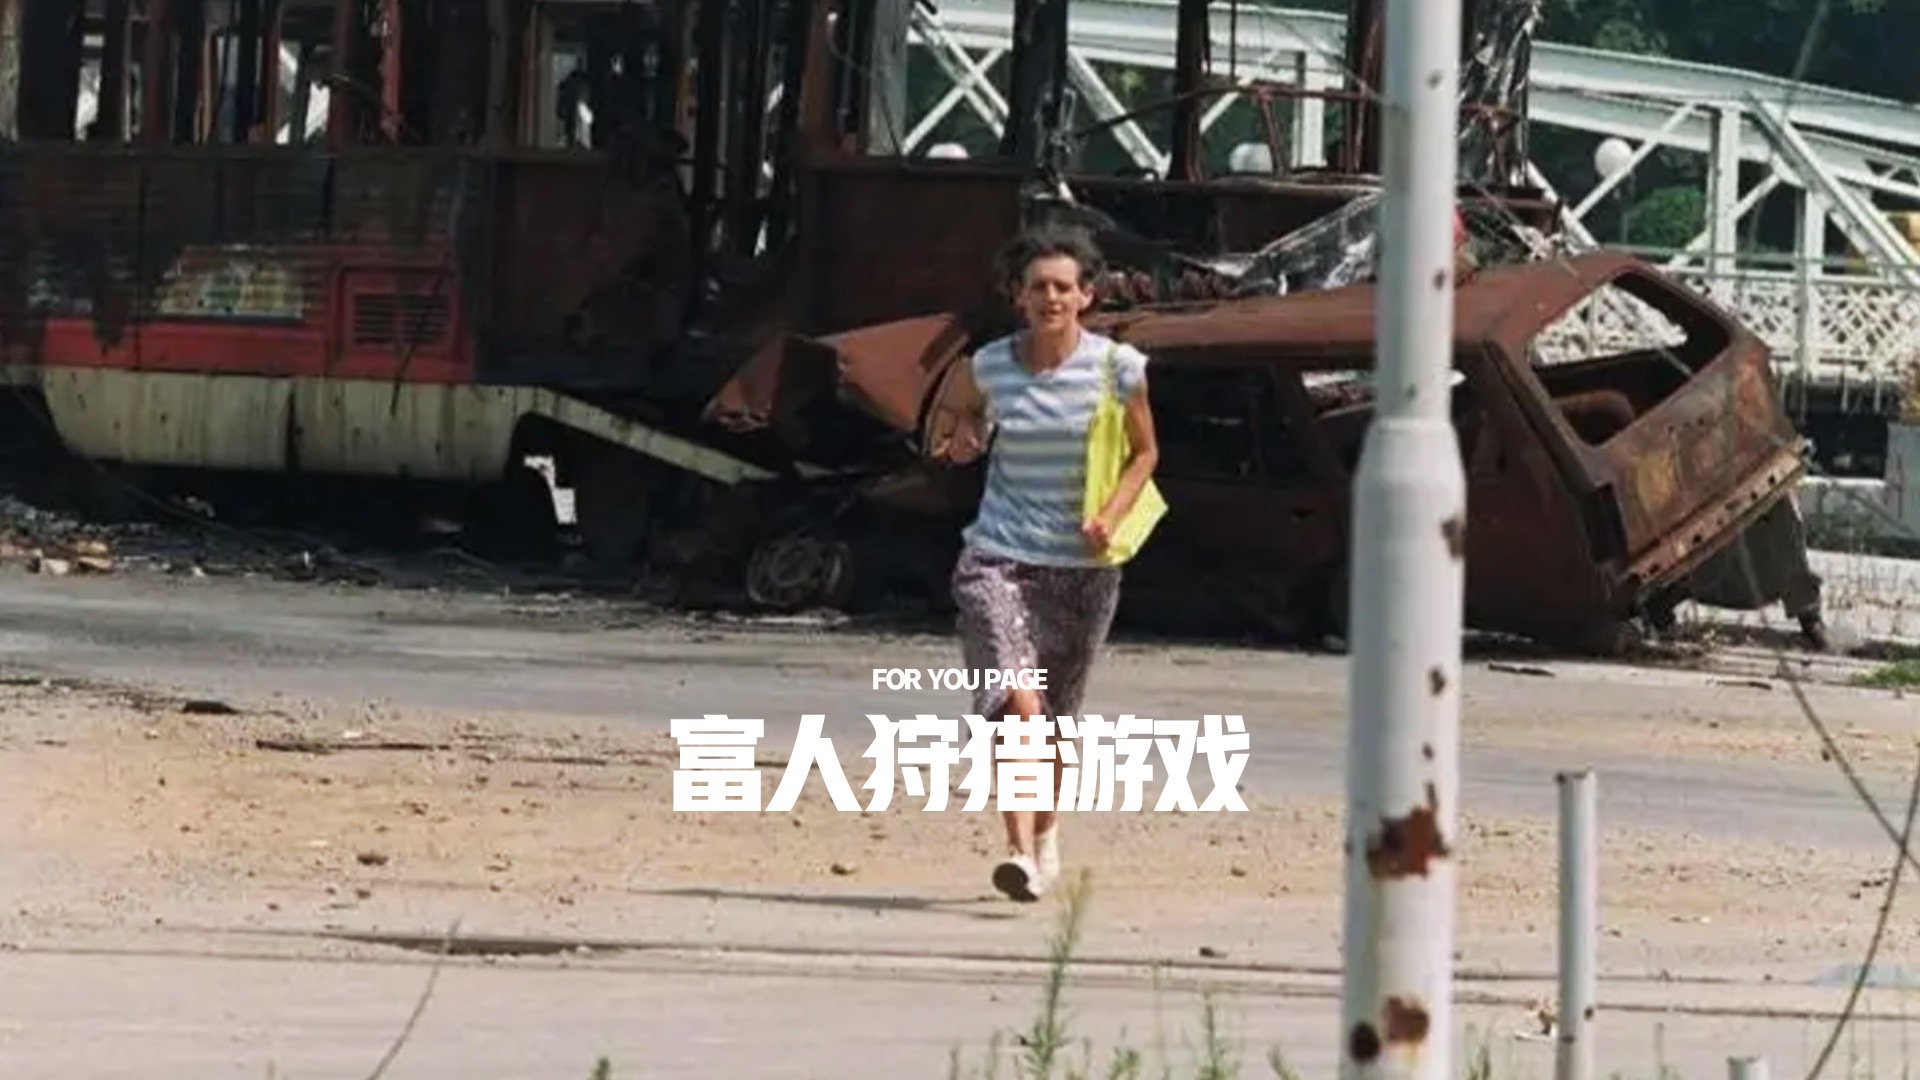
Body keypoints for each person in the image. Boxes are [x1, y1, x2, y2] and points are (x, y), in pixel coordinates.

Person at [934, 224, 1161, 903]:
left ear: (1086, 295)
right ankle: (1018, 853)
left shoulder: (1119, 369)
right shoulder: (988, 366)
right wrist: (962, 439)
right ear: (1019, 296)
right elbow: (956, 421)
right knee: (1019, 706)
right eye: (1038, 287)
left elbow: (1146, 453)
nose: (1051, 298)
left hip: (1082, 568)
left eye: (1064, 287)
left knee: (1057, 720)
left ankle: (1046, 830)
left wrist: (1111, 514)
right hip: (998, 558)